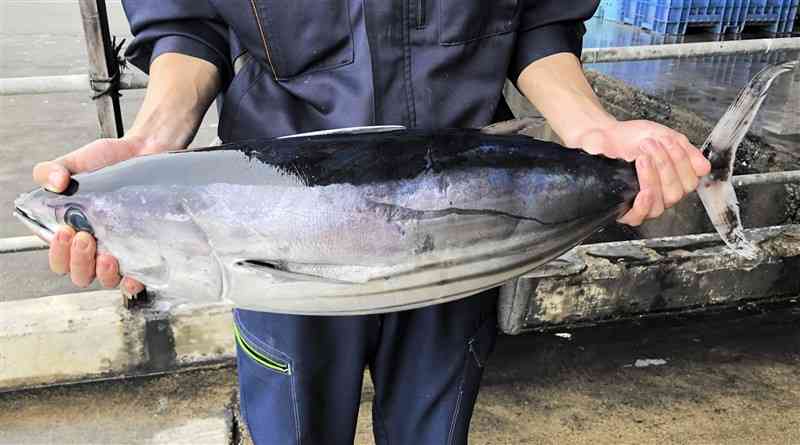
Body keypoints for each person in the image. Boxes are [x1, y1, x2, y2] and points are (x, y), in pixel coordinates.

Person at [32, 1, 710, 443]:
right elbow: (191, 20)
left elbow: (538, 16)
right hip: (274, 234)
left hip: (462, 230)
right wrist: (152, 142)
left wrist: (592, 129)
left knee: (432, 432)